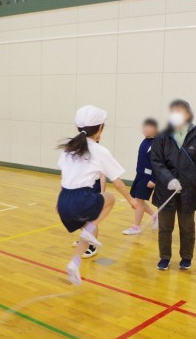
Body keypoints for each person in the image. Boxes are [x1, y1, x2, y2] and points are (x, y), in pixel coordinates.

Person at [57, 105, 137, 285]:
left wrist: (59, 201)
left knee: (86, 229)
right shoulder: (99, 151)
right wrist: (131, 200)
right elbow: (117, 182)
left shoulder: (68, 148)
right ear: (100, 128)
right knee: (110, 198)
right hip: (81, 198)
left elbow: (65, 176)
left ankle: (74, 263)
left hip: (64, 200)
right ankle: (91, 229)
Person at [150, 99, 196, 271]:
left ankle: (186, 257)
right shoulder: (162, 137)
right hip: (165, 190)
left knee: (187, 227)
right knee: (165, 227)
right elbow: (156, 161)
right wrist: (169, 179)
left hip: (189, 191)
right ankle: (164, 257)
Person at [123, 118, 159, 235]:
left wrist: (153, 179)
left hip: (148, 178)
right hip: (140, 175)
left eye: (149, 127)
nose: (146, 129)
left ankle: (136, 226)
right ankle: (155, 216)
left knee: (139, 201)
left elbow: (158, 163)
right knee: (138, 200)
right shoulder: (145, 141)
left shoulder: (155, 144)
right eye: (145, 127)